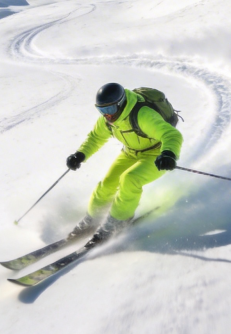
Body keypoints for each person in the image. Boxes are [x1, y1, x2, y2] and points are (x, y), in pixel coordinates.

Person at [66, 82, 183, 244]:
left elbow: (172, 135)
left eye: (110, 109)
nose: (107, 115)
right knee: (107, 184)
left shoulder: (143, 115)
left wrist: (168, 154)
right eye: (102, 110)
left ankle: (118, 222)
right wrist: (80, 154)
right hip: (129, 153)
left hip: (156, 154)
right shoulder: (108, 120)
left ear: (120, 103)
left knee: (130, 179)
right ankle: (92, 219)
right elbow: (96, 138)